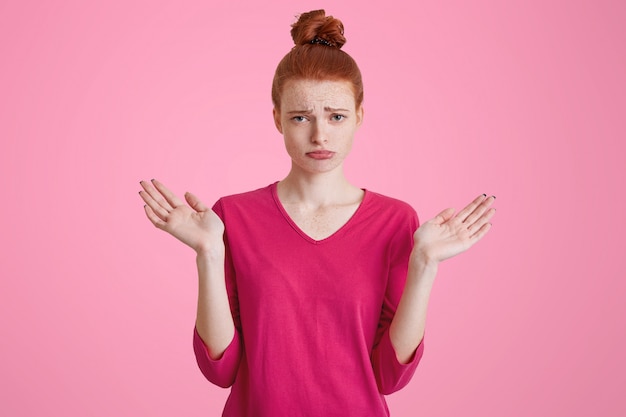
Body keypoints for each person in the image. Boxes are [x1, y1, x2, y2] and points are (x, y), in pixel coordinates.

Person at [138, 9, 495, 417]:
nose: (320, 134)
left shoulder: (397, 223)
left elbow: (389, 378)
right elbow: (221, 370)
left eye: (336, 116)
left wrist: (425, 263)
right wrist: (208, 253)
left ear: (359, 117)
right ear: (278, 120)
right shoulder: (231, 218)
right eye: (300, 117)